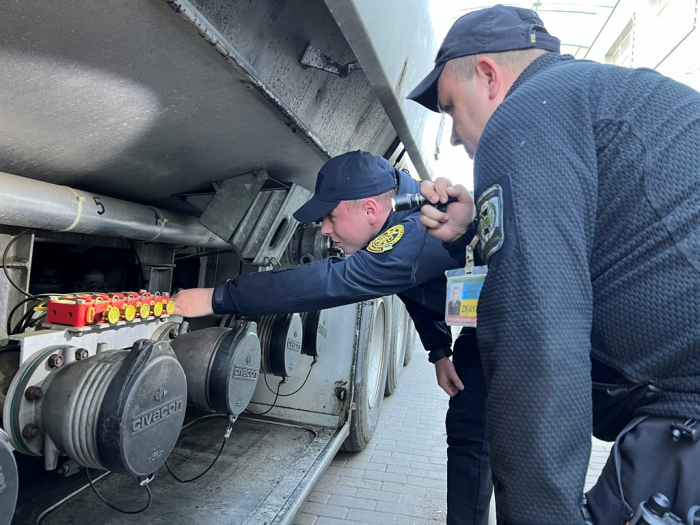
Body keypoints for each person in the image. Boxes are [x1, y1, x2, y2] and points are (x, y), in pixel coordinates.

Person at [407, 5, 700, 525]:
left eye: (451, 108)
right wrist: (480, 225)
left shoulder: (523, 115)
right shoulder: (595, 95)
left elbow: (537, 331)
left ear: (490, 78)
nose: (452, 135)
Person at [171, 150, 493, 525]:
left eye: (331, 216)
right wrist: (439, 351)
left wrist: (217, 297)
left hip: (516, 330)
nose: (324, 229)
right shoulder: (403, 218)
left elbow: (332, 282)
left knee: (478, 442)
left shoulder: (416, 231)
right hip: (481, 327)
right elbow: (417, 290)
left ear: (370, 210)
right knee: (468, 432)